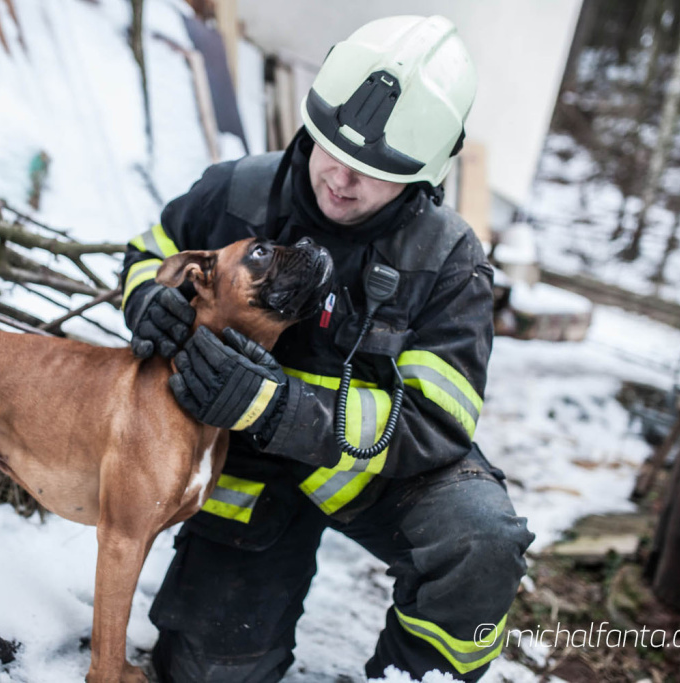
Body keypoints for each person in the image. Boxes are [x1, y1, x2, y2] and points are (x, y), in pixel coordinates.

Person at [120, 15, 534, 682]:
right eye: (331, 150)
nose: (341, 179)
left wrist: (280, 406)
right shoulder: (236, 193)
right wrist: (149, 300)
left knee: (479, 538)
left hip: (377, 478)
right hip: (250, 482)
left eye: (375, 171)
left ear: (426, 173)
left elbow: (435, 422)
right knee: (206, 674)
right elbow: (149, 250)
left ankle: (418, 674)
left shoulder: (449, 262)